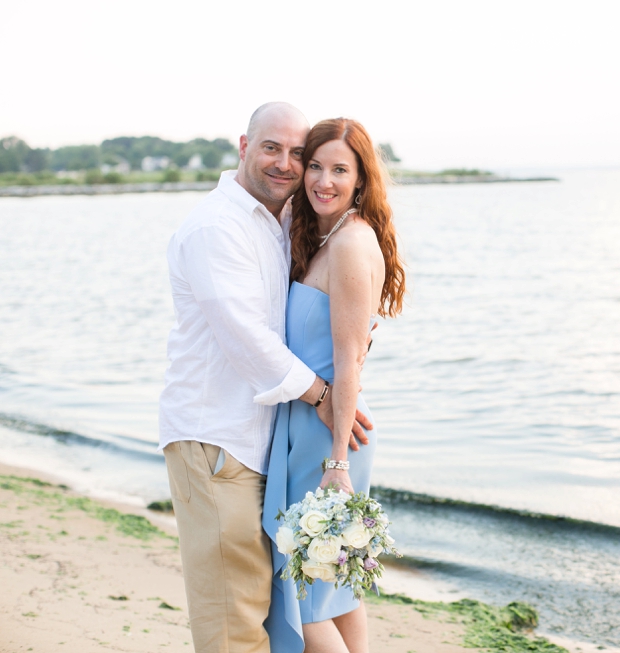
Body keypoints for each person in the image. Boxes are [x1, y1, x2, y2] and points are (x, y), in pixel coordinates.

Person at [158, 102, 372, 653]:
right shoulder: (217, 226)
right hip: (218, 442)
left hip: (270, 445)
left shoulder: (286, 223)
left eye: (298, 153)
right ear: (243, 146)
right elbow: (248, 338)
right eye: (271, 147)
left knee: (305, 597)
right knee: (237, 621)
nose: (286, 164)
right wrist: (325, 393)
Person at [262, 117, 405, 653]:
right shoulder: (328, 237)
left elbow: (347, 365)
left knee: (299, 590)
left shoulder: (348, 245)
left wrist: (337, 465)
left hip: (327, 437)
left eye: (339, 169)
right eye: (315, 166)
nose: (323, 180)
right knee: (333, 591)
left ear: (361, 179)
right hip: (312, 427)